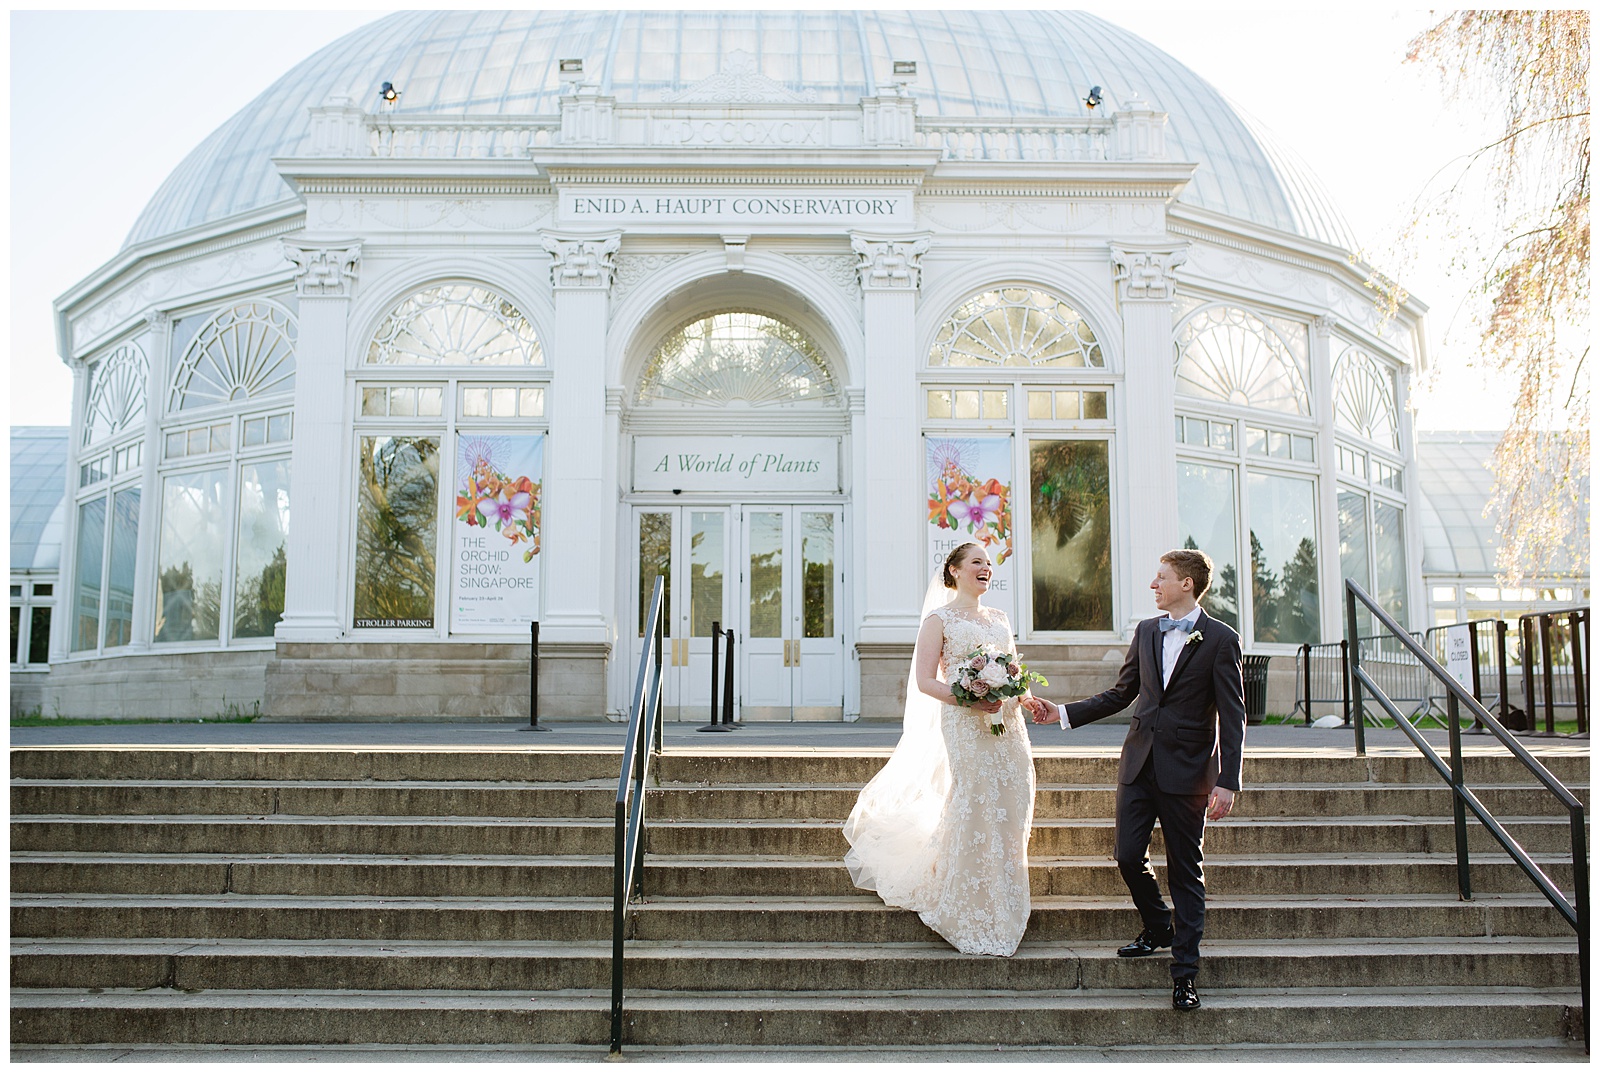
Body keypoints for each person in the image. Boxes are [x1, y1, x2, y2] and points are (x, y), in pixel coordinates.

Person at [1025, 548, 1245, 1010]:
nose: (1153, 585)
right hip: (1138, 765)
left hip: (1188, 773)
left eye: (1160, 577)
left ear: (1185, 583)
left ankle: (1184, 974)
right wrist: (1062, 712)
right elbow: (1122, 693)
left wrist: (1227, 780)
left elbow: (1233, 715)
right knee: (1127, 856)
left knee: (1186, 874)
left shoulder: (1222, 639)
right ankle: (1158, 925)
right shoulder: (1146, 631)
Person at [842, 541, 1038, 956]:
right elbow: (925, 681)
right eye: (976, 563)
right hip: (965, 721)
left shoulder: (1001, 618)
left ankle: (1005, 888)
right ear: (954, 571)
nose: (986, 568)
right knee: (976, 797)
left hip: (1007, 723)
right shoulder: (939, 619)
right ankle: (966, 895)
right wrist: (967, 697)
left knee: (1012, 795)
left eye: (988, 563)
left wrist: (1025, 697)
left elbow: (1013, 671)